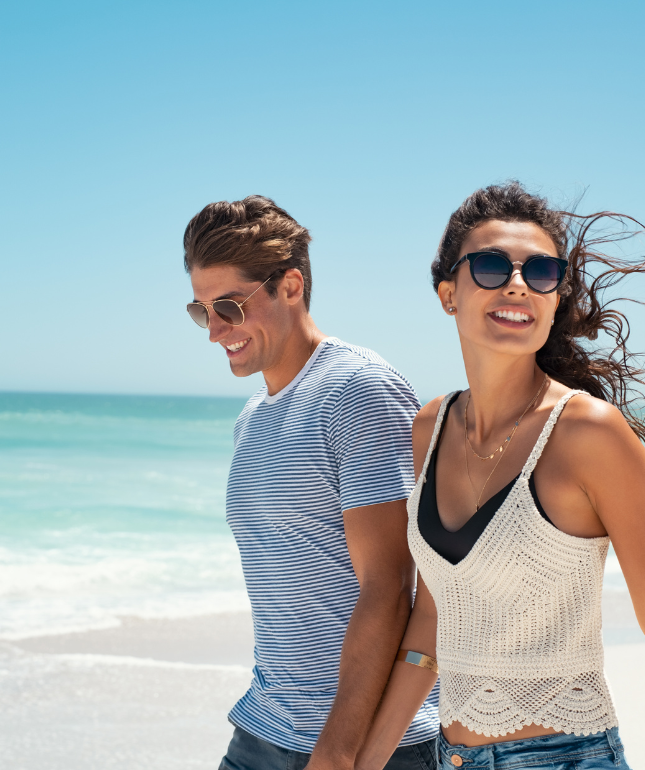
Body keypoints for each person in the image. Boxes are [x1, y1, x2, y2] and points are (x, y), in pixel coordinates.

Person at [354, 182, 645, 770]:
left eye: (540, 271)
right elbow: (434, 621)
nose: (516, 282)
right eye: (491, 265)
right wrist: (365, 761)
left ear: (552, 297)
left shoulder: (589, 433)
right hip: (452, 759)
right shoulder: (430, 428)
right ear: (449, 294)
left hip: (568, 757)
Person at [183, 196, 440, 770]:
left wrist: (341, 749)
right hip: (266, 728)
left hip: (370, 745)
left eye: (228, 306)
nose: (215, 331)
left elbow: (391, 584)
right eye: (203, 312)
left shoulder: (358, 391)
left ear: (291, 287)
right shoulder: (253, 417)